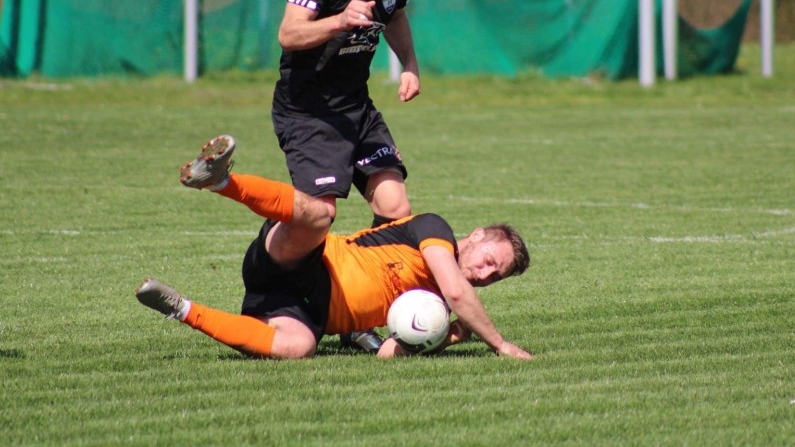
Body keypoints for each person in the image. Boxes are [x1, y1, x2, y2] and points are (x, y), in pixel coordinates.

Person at [137, 135, 533, 360]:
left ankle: (181, 308)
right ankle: (222, 181)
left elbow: (388, 353)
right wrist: (499, 344)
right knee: (319, 217)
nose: (484, 275)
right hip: (305, 261)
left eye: (494, 277)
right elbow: (457, 290)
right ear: (476, 235)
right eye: (488, 261)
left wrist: (442, 337)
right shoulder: (434, 230)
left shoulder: (439, 310)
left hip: (302, 311)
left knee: (299, 348)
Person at [273, 0, 427, 351]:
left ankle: (362, 312)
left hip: (357, 107)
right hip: (308, 111)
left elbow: (394, 15)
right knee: (319, 216)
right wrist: (339, 20)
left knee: (395, 206)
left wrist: (410, 64)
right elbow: (288, 33)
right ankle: (289, 297)